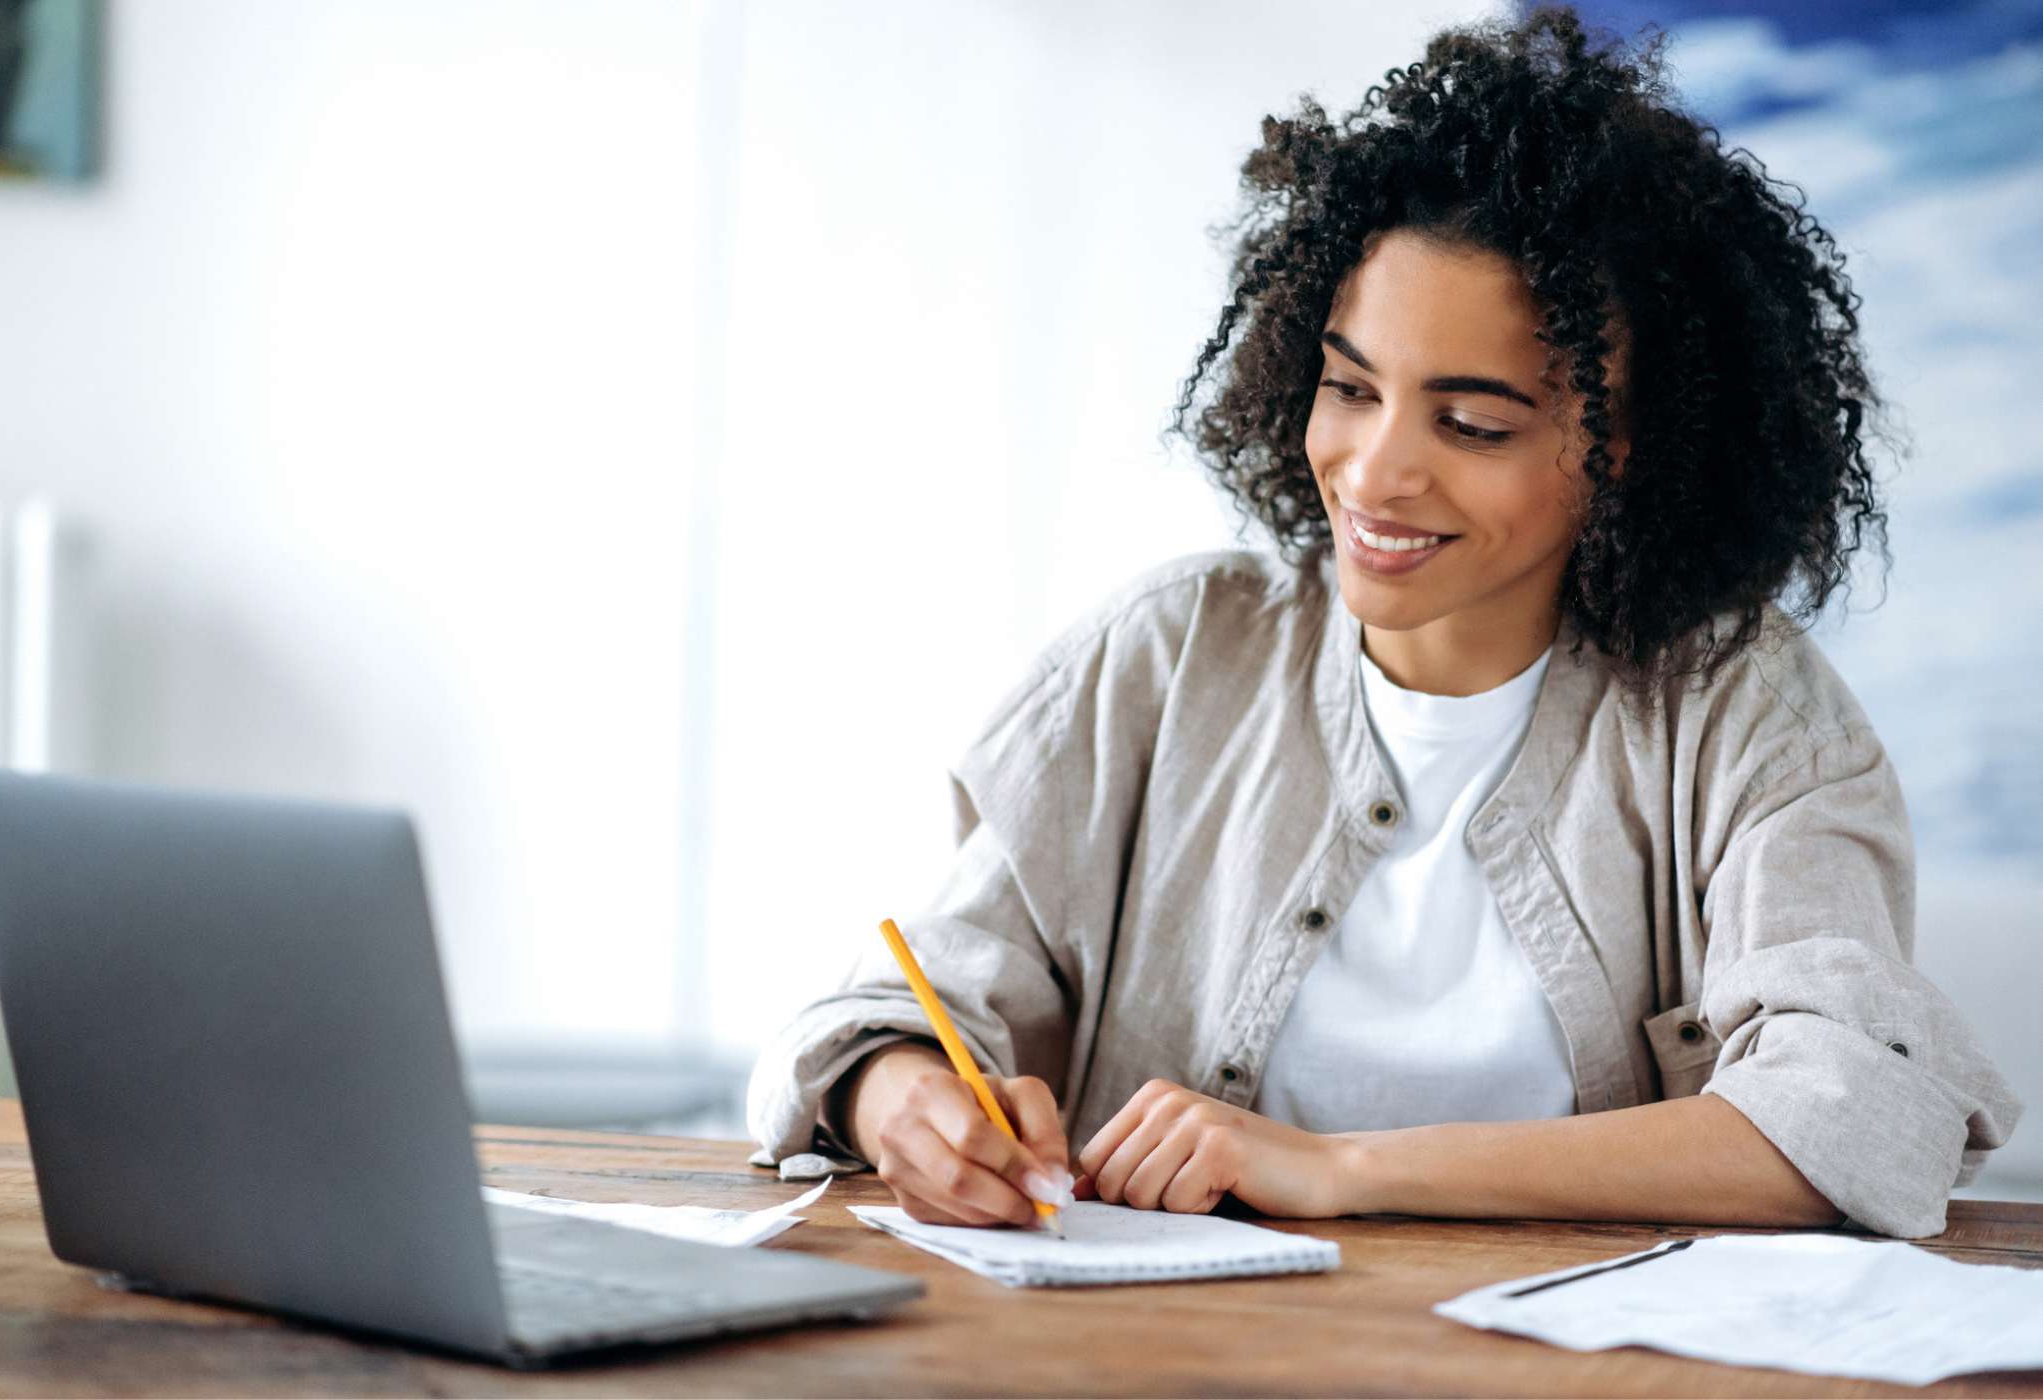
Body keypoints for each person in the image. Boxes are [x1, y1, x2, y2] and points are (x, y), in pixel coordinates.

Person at [745, 3, 2022, 1240]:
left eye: (1472, 424)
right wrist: (903, 1092)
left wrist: (1339, 1168)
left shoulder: (1744, 712)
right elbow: (878, 1014)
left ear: (1633, 446)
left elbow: (1857, 1115)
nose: (1375, 470)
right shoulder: (1168, 657)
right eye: (1349, 388)